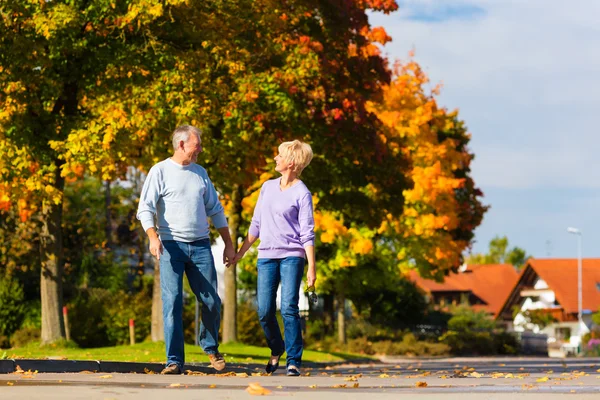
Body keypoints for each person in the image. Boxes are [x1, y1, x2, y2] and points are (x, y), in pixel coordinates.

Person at [137, 125, 235, 375]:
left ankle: (210, 346)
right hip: (171, 247)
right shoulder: (159, 171)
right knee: (172, 303)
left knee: (212, 301)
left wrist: (228, 243)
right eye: (196, 144)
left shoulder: (200, 173)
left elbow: (216, 210)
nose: (200, 149)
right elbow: (145, 208)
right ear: (181, 144)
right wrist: (152, 237)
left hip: (201, 245)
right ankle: (174, 360)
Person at [234, 140, 316, 377]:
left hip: (292, 256)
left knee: (289, 307)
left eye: (279, 155)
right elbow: (256, 224)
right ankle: (277, 348)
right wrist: (241, 252)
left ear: (291, 162)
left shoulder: (302, 193)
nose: (275, 158)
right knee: (264, 310)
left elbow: (307, 232)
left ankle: (293, 361)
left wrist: (311, 267)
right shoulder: (267, 187)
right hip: (267, 256)